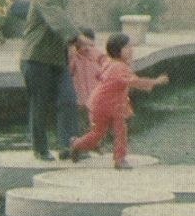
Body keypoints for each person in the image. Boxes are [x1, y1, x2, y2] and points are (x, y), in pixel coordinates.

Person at [69, 33, 170, 168]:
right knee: (119, 131)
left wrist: (86, 48)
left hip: (99, 104)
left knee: (98, 133)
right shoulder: (120, 67)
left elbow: (98, 56)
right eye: (127, 47)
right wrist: (156, 81)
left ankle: (76, 144)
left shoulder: (110, 61)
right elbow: (135, 81)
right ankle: (119, 159)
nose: (131, 50)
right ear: (117, 50)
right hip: (111, 105)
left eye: (131, 47)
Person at [19, 0, 82, 160]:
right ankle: (40, 149)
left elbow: (65, 19)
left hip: (57, 58)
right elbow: (57, 20)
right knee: (40, 104)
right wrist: (77, 38)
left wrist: (77, 37)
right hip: (36, 57)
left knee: (68, 99)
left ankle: (68, 146)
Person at [68, 28, 106, 129]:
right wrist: (71, 55)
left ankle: (95, 135)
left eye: (89, 45)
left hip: (94, 91)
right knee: (80, 113)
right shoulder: (75, 57)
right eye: (83, 45)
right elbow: (70, 72)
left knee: (94, 113)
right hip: (80, 91)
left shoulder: (98, 55)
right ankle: (81, 131)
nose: (86, 48)